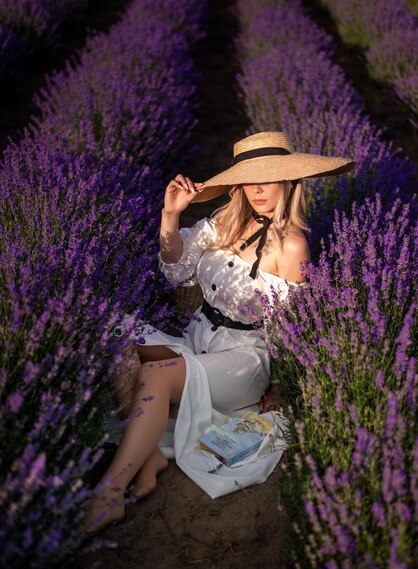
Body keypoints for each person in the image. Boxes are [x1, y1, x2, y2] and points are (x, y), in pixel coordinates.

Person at [83, 130, 355, 536]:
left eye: (269, 176)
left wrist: (281, 384)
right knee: (116, 332)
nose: (258, 188)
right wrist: (171, 216)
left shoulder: (292, 246)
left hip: (245, 358)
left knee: (156, 374)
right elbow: (176, 270)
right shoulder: (223, 222)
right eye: (249, 178)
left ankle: (110, 493)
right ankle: (152, 455)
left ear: (289, 181)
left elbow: (293, 324)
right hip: (199, 337)